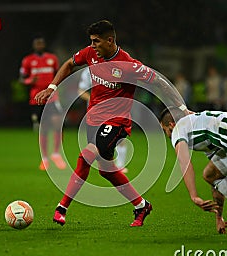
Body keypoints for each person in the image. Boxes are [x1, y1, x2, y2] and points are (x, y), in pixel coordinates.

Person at [35, 20, 185, 227]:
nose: (93, 45)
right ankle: (141, 205)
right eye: (91, 41)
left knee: (86, 155)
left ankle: (62, 207)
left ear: (110, 40)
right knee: (106, 170)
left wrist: (181, 109)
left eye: (96, 41)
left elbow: (160, 83)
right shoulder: (90, 54)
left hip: (117, 122)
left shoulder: (129, 65)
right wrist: (52, 87)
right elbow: (69, 64)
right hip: (93, 120)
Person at [19, 34, 66, 170]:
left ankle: (56, 154)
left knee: (58, 123)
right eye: (37, 43)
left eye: (41, 43)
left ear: (44, 45)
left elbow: (59, 74)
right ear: (34, 46)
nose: (39, 45)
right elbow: (22, 78)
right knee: (44, 128)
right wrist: (29, 81)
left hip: (52, 97)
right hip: (36, 98)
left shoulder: (52, 59)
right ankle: (44, 159)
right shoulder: (28, 60)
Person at [77, 68, 129, 173]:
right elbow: (81, 90)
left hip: (114, 110)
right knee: (96, 142)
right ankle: (104, 165)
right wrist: (94, 100)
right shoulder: (89, 71)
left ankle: (120, 165)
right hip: (95, 113)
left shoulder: (117, 68)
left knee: (119, 138)